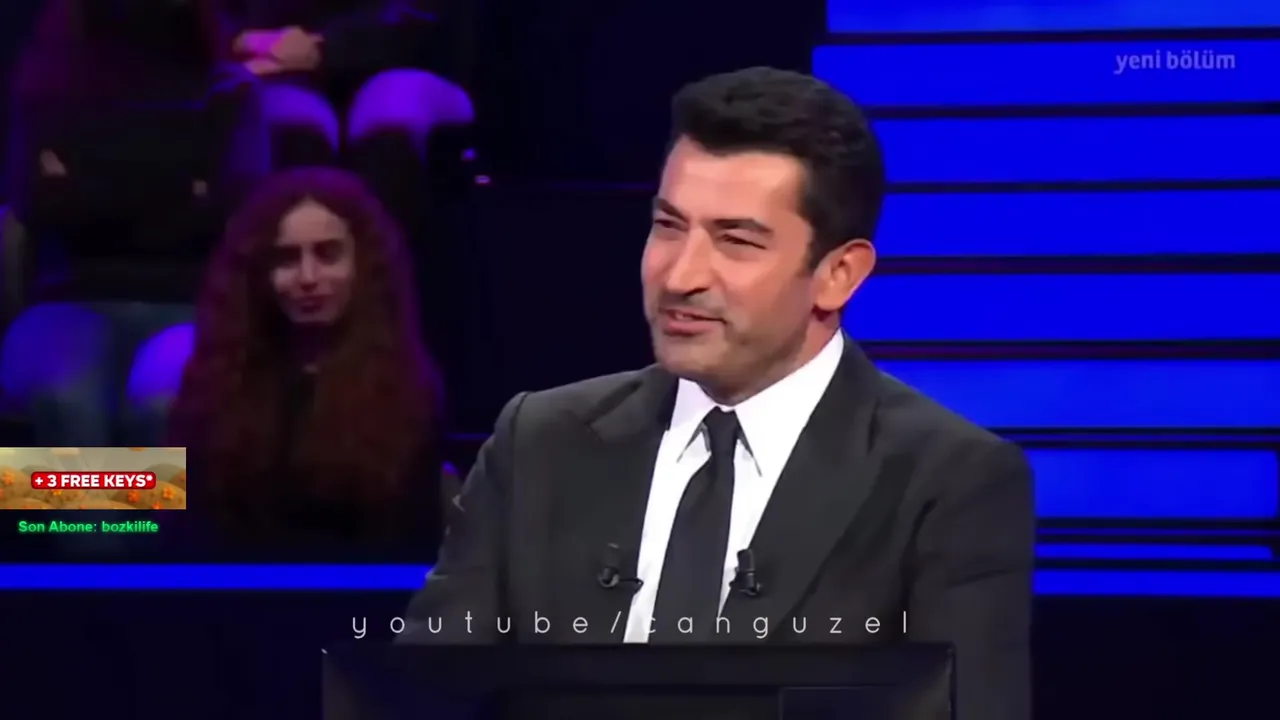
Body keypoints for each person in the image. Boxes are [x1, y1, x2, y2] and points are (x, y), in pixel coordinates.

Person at [399, 68, 1034, 720]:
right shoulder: (538, 442)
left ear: (838, 275)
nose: (680, 276)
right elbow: (423, 697)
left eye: (736, 241)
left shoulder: (946, 482)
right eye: (668, 226)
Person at [1, 0, 270, 445]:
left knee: (162, 403)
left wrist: (84, 191)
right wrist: (181, 190)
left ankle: (134, 496)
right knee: (65, 398)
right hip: (68, 298)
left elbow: (236, 216)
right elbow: (34, 204)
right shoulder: (44, 86)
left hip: (189, 304)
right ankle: (105, 498)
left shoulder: (231, 92)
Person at [168, 167, 452, 561]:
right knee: (81, 491)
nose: (307, 277)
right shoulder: (219, 379)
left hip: (357, 591)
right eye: (286, 259)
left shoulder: (407, 387)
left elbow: (408, 542)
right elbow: (177, 513)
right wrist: (73, 488)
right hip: (236, 588)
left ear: (364, 265)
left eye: (328, 254)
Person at [223, 0, 474, 232]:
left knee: (389, 116)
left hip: (397, 53)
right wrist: (249, 42)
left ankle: (381, 260)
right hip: (280, 63)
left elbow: (420, 19)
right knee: (289, 122)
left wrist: (323, 49)